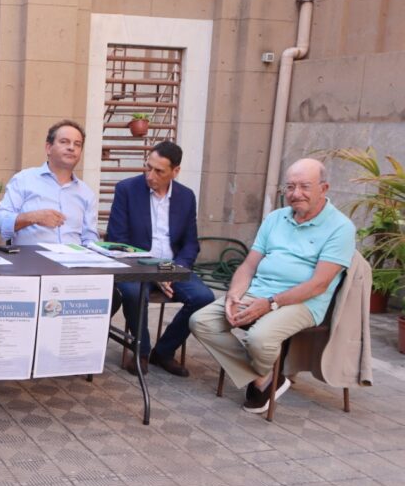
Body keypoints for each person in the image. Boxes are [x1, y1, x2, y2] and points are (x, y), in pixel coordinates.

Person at [189, 158, 356, 414]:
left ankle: (261, 379)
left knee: (259, 338)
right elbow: (248, 265)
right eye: (289, 187)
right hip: (259, 293)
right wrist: (234, 294)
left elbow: (318, 284)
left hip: (303, 302)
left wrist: (270, 304)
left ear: (324, 188)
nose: (295, 194)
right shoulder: (276, 218)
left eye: (304, 186)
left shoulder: (340, 227)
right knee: (202, 321)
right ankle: (265, 379)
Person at [106, 141, 215, 377]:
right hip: (135, 267)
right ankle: (141, 351)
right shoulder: (127, 189)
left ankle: (163, 352)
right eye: (148, 167)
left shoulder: (186, 196)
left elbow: (190, 243)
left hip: (172, 266)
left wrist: (174, 271)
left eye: (159, 171)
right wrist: (155, 272)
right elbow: (118, 240)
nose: (150, 175)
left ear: (175, 172)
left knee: (204, 297)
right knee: (134, 293)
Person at [0, 120, 99, 246]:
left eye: (77, 144)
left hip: (73, 261)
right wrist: (33, 217)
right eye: (64, 142)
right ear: (48, 148)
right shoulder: (24, 180)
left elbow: (90, 238)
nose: (71, 148)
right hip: (33, 261)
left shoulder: (86, 193)